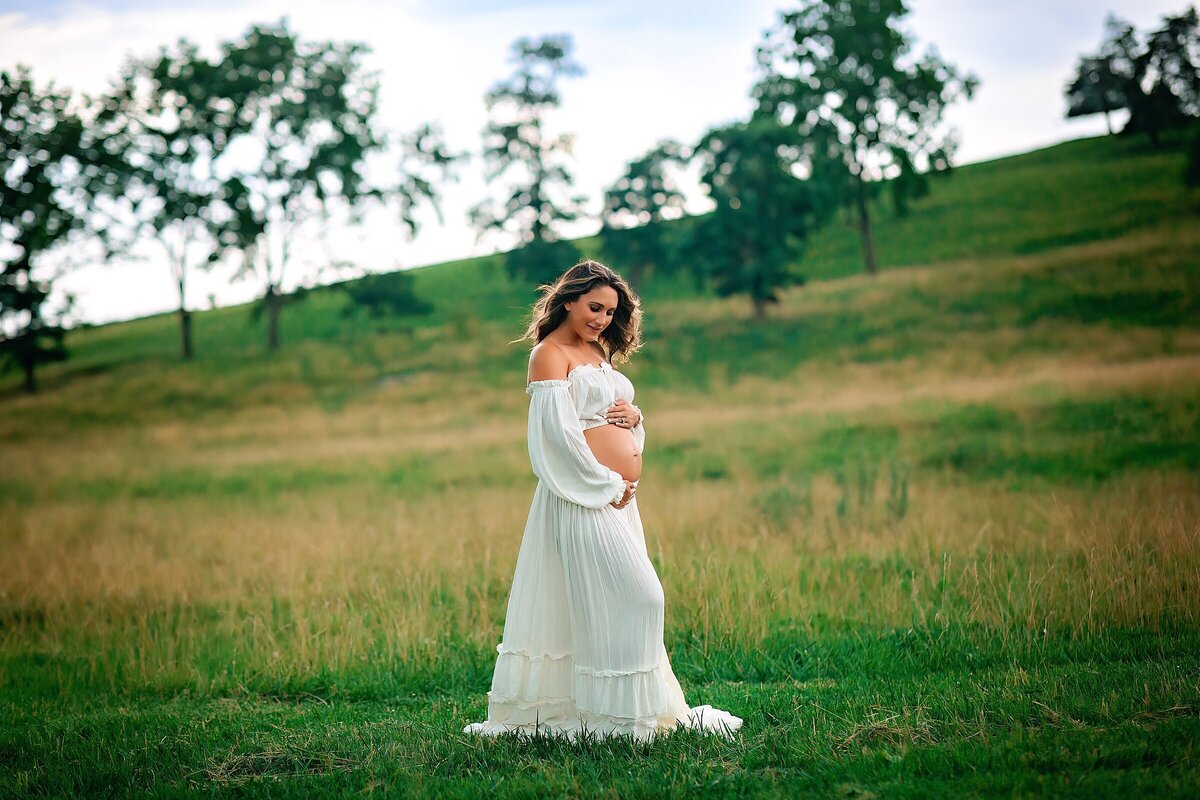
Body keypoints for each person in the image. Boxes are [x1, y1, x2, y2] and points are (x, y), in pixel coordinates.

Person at [464, 259, 743, 742]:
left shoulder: (597, 352)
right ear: (568, 300)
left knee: (610, 605)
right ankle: (615, 720)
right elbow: (556, 438)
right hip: (582, 498)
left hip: (617, 499)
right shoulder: (549, 355)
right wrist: (607, 486)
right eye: (594, 307)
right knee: (640, 596)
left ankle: (622, 715)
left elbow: (612, 420)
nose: (601, 319)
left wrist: (635, 417)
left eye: (611, 312)